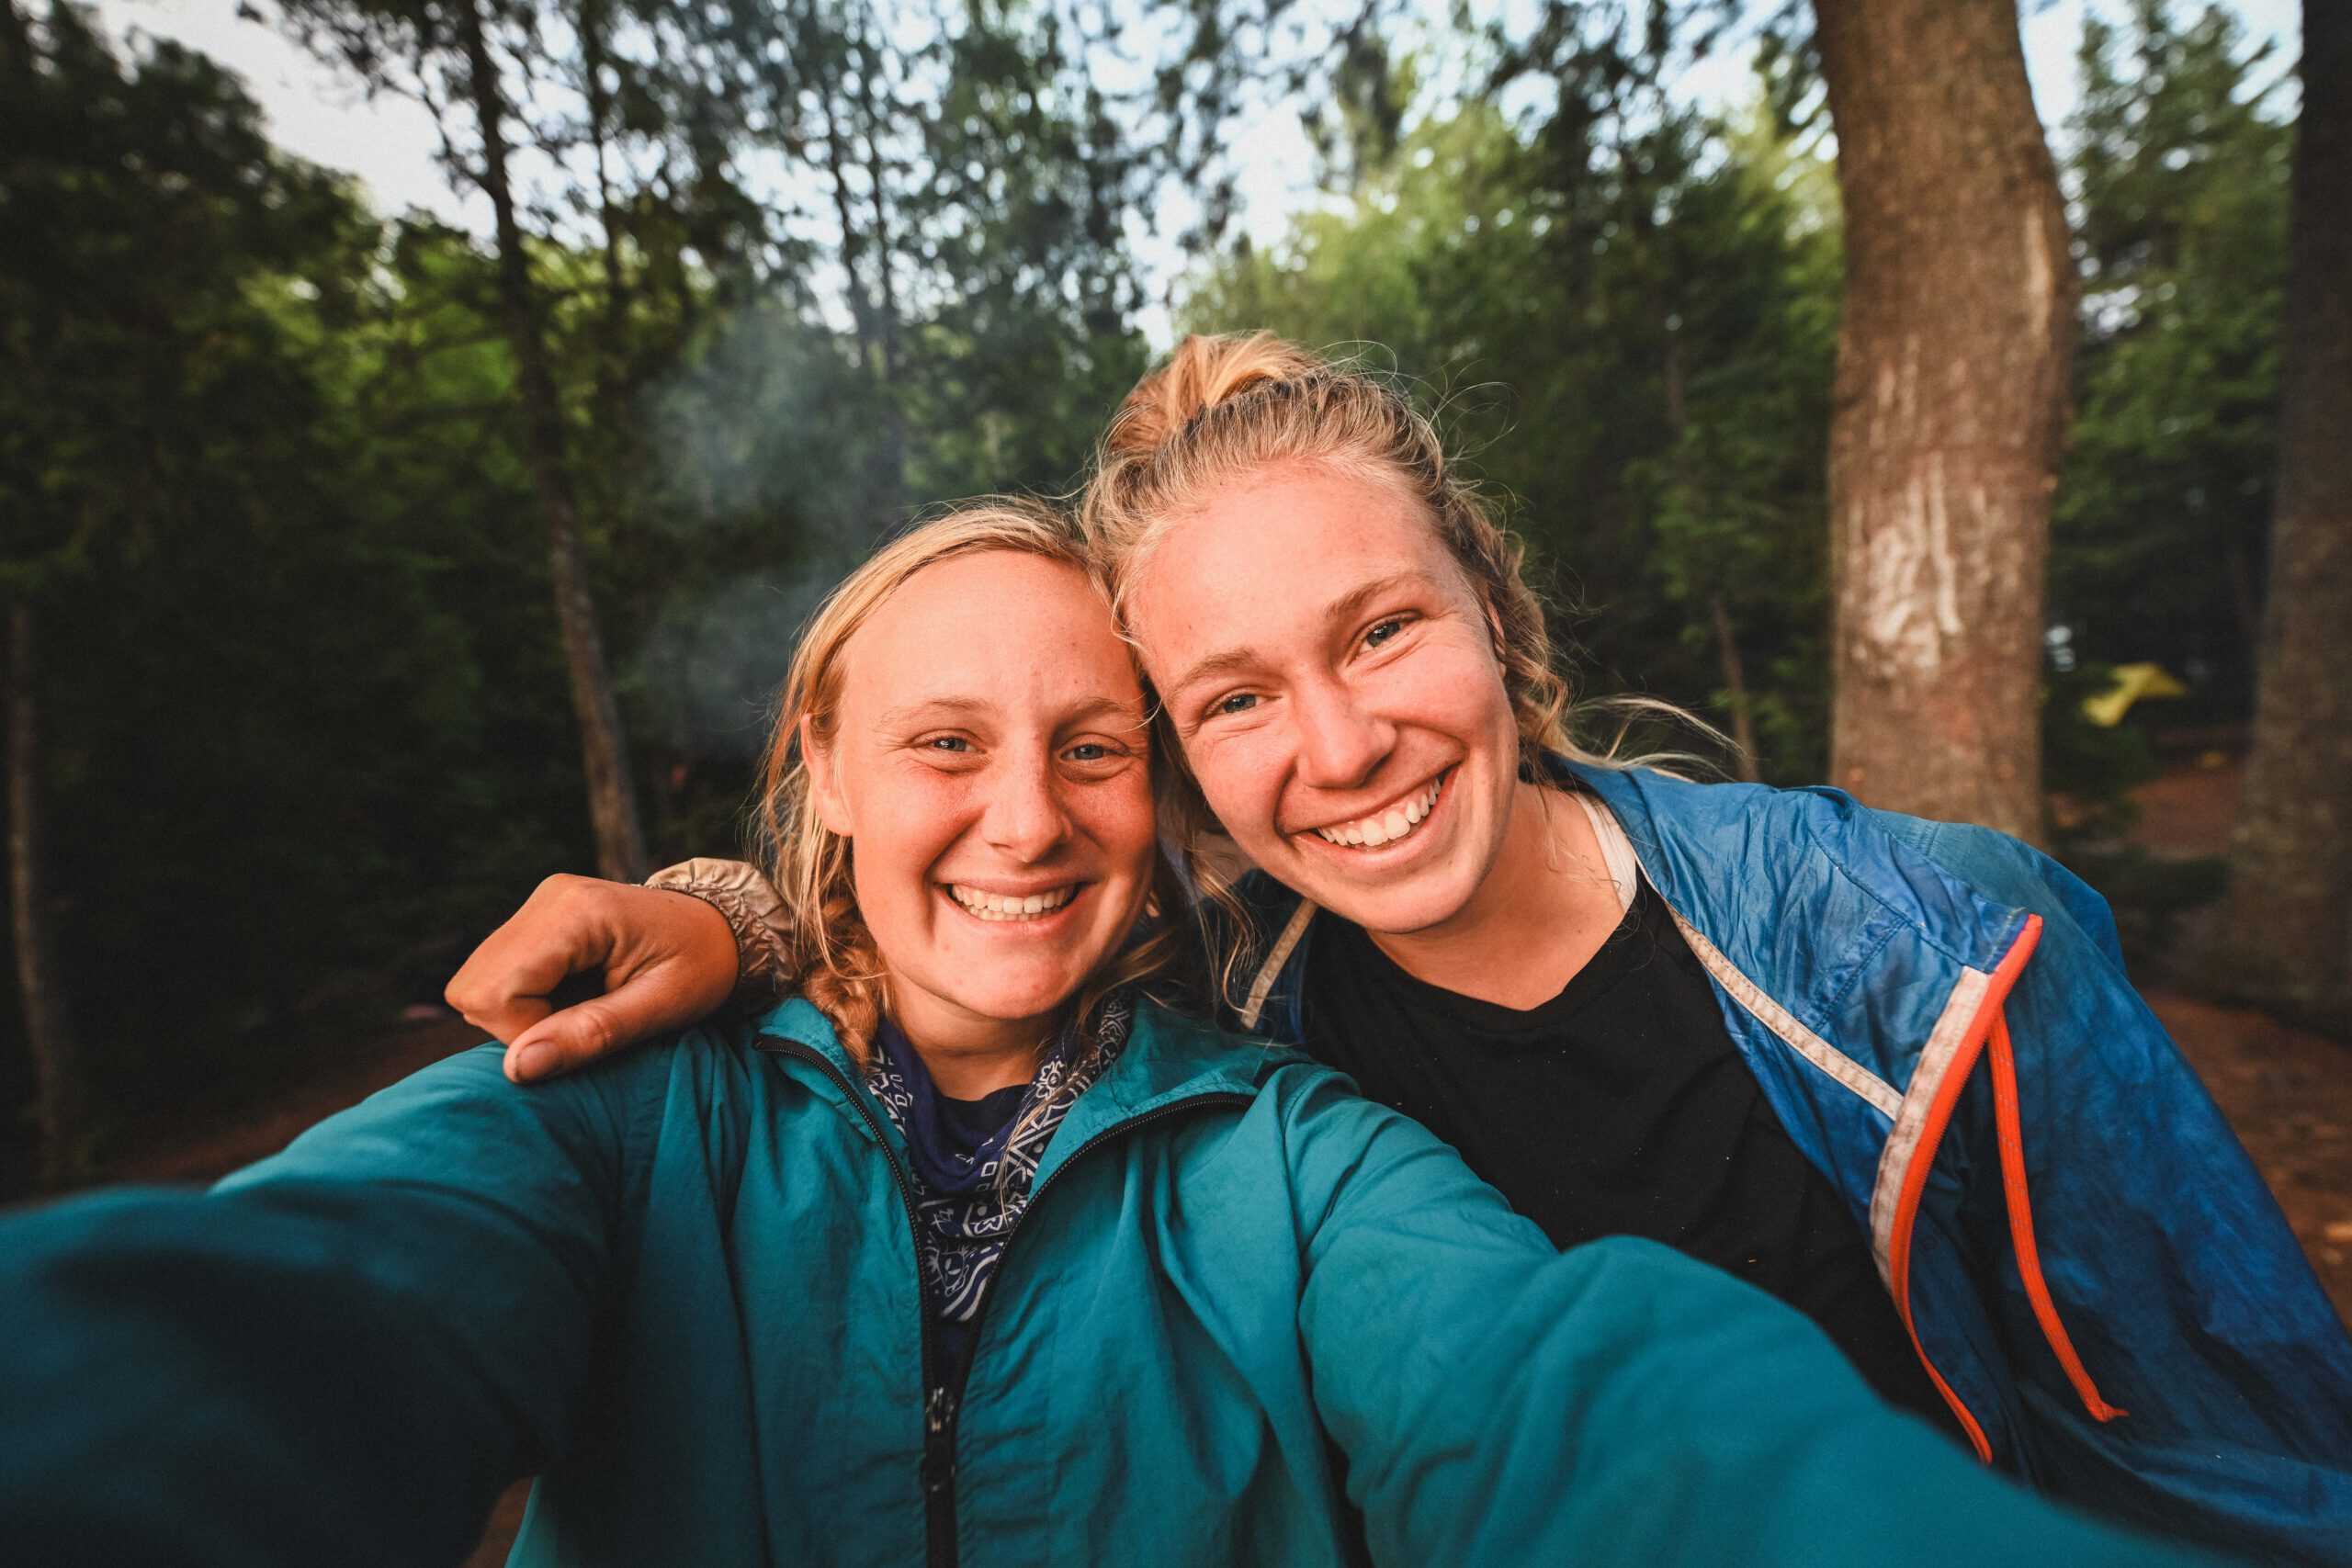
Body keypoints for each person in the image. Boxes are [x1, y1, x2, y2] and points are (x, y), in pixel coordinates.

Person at [0, 502, 2216, 1568]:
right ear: (822, 767)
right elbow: (302, 1305)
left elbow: (1571, 1394)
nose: (1023, 817)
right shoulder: (620, 1108)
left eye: (1092, 744)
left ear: (1159, 801)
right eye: (941, 741)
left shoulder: (1293, 1144)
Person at [450, 334, 2352, 1566]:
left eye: (1379, 632)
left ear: (1494, 614)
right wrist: (733, 914)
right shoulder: (1220, 1001)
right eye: (1234, 695)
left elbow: (2249, 1447)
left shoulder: (1925, 948)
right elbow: (964, 905)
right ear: (1182, 763)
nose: (1343, 746)